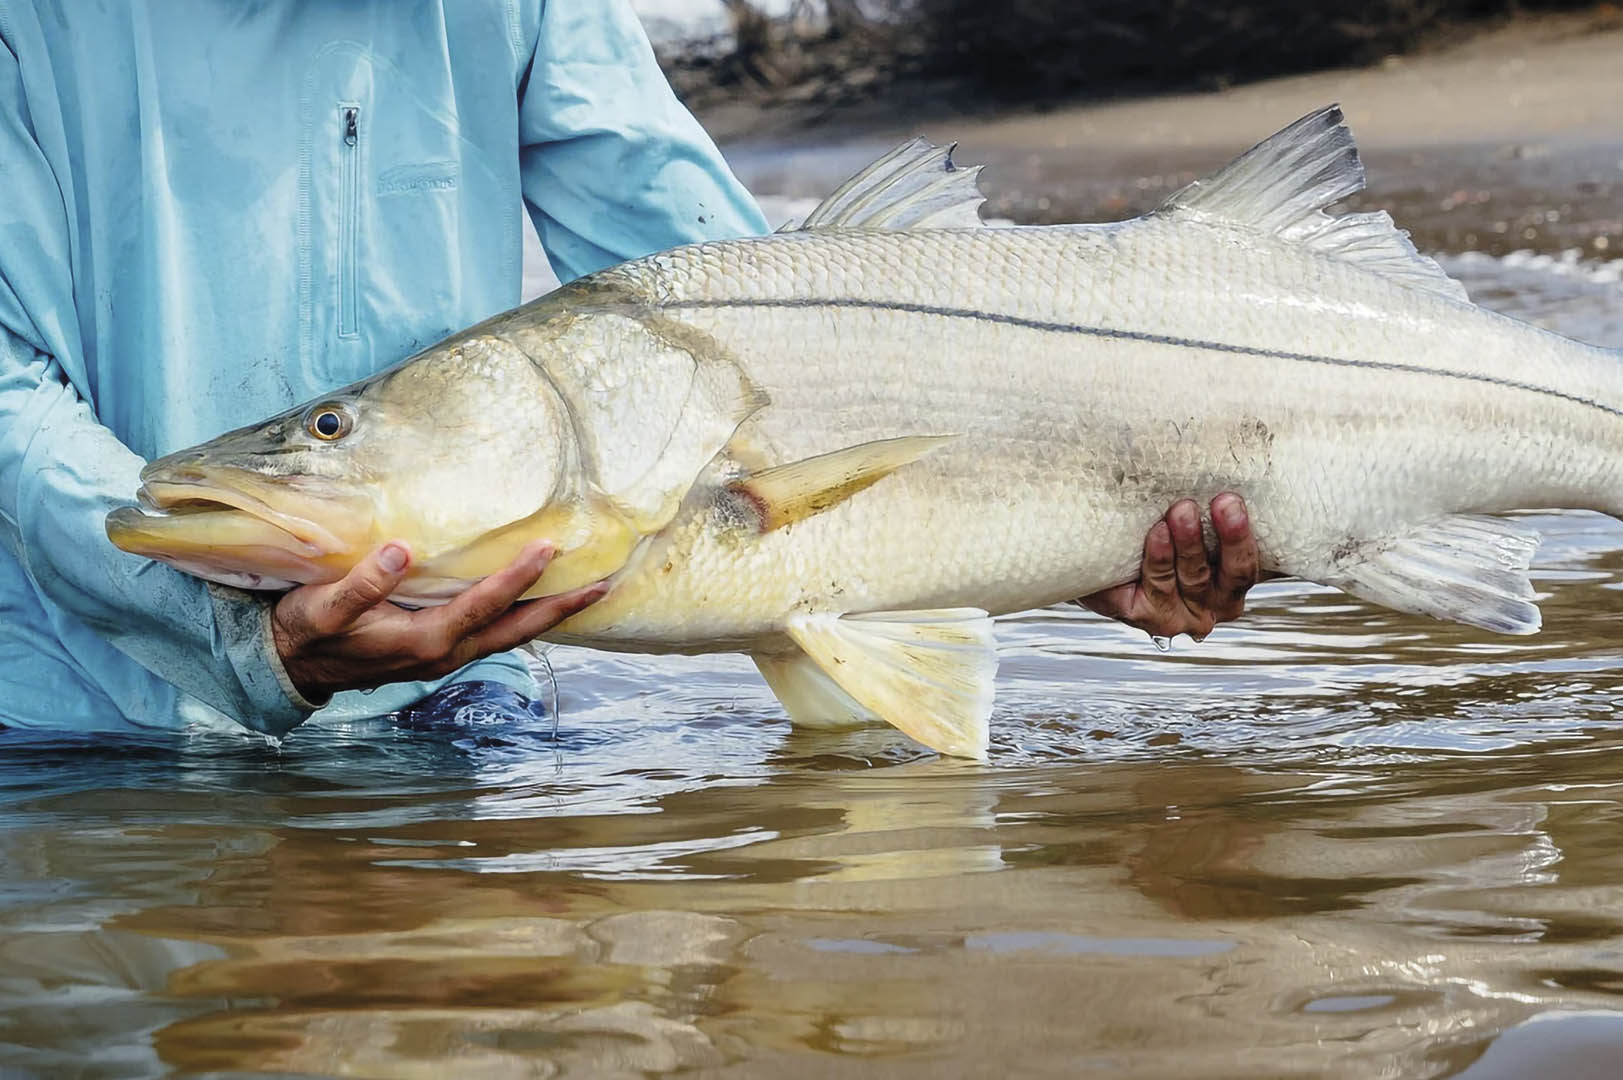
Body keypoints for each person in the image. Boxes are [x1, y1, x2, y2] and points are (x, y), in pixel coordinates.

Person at [0, 0, 1261, 736]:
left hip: (459, 721)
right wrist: (230, 639)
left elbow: (735, 311)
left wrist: (1051, 516)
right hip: (74, 736)